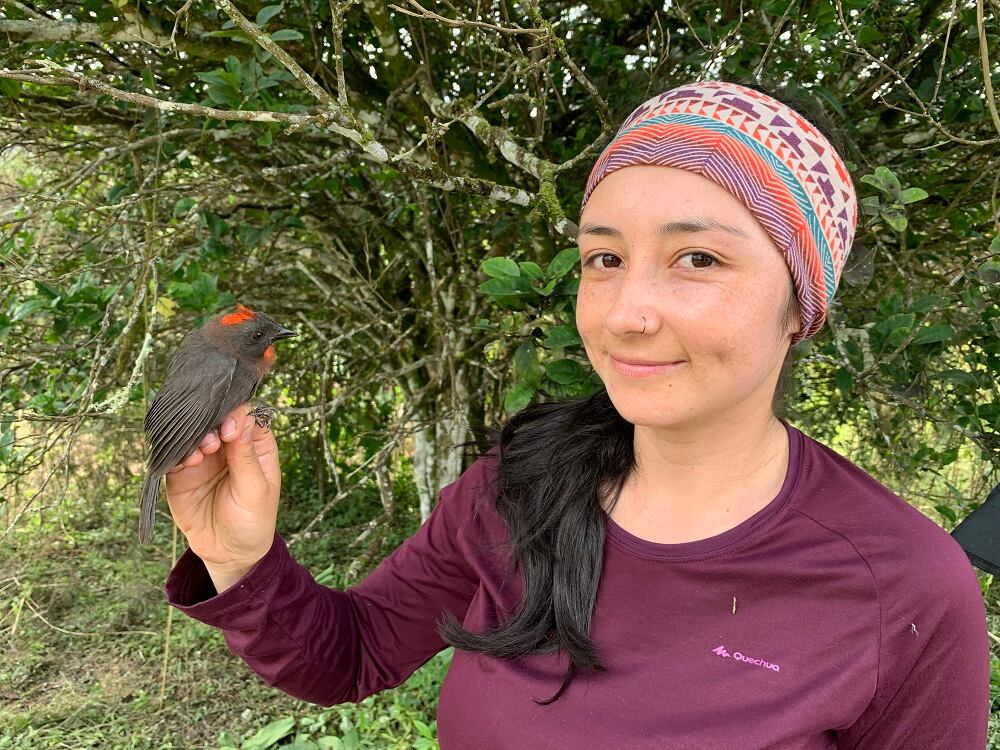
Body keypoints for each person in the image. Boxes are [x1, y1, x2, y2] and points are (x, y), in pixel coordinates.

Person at [160, 79, 990, 749]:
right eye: (605, 258)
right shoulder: (516, 487)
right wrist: (242, 559)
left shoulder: (904, 588)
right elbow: (354, 655)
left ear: (801, 306)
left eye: (696, 258)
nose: (626, 312)